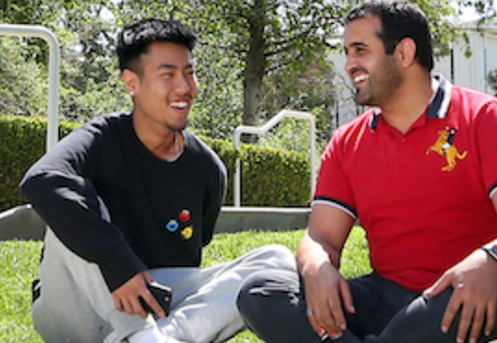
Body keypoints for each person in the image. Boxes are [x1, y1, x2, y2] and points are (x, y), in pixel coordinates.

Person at [237, 0, 497, 343]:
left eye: (360, 50)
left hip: (475, 302)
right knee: (261, 292)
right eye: (348, 52)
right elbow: (321, 237)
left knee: (451, 303)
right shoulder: (346, 142)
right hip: (387, 302)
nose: (349, 65)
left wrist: (490, 259)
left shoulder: (485, 117)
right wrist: (317, 268)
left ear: (404, 53)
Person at [20, 18, 298, 343]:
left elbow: (190, 255)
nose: (184, 87)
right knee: (75, 204)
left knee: (276, 261)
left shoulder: (207, 170)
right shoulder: (101, 140)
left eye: (189, 73)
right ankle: (144, 337)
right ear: (131, 83)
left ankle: (158, 338)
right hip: (75, 306)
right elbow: (41, 180)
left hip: (152, 301)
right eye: (168, 75)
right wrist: (116, 261)